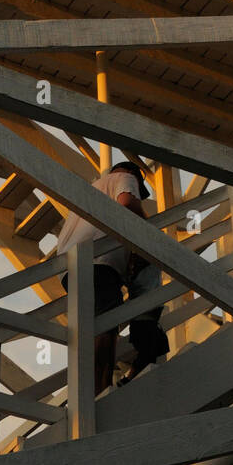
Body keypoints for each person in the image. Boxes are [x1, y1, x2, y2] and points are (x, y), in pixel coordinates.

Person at [54, 161, 168, 393]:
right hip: (99, 264)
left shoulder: (87, 193)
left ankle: (92, 387)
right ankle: (100, 388)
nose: (137, 191)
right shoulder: (124, 179)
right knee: (106, 328)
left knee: (93, 327)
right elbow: (127, 203)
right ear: (132, 175)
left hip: (70, 268)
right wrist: (147, 238)